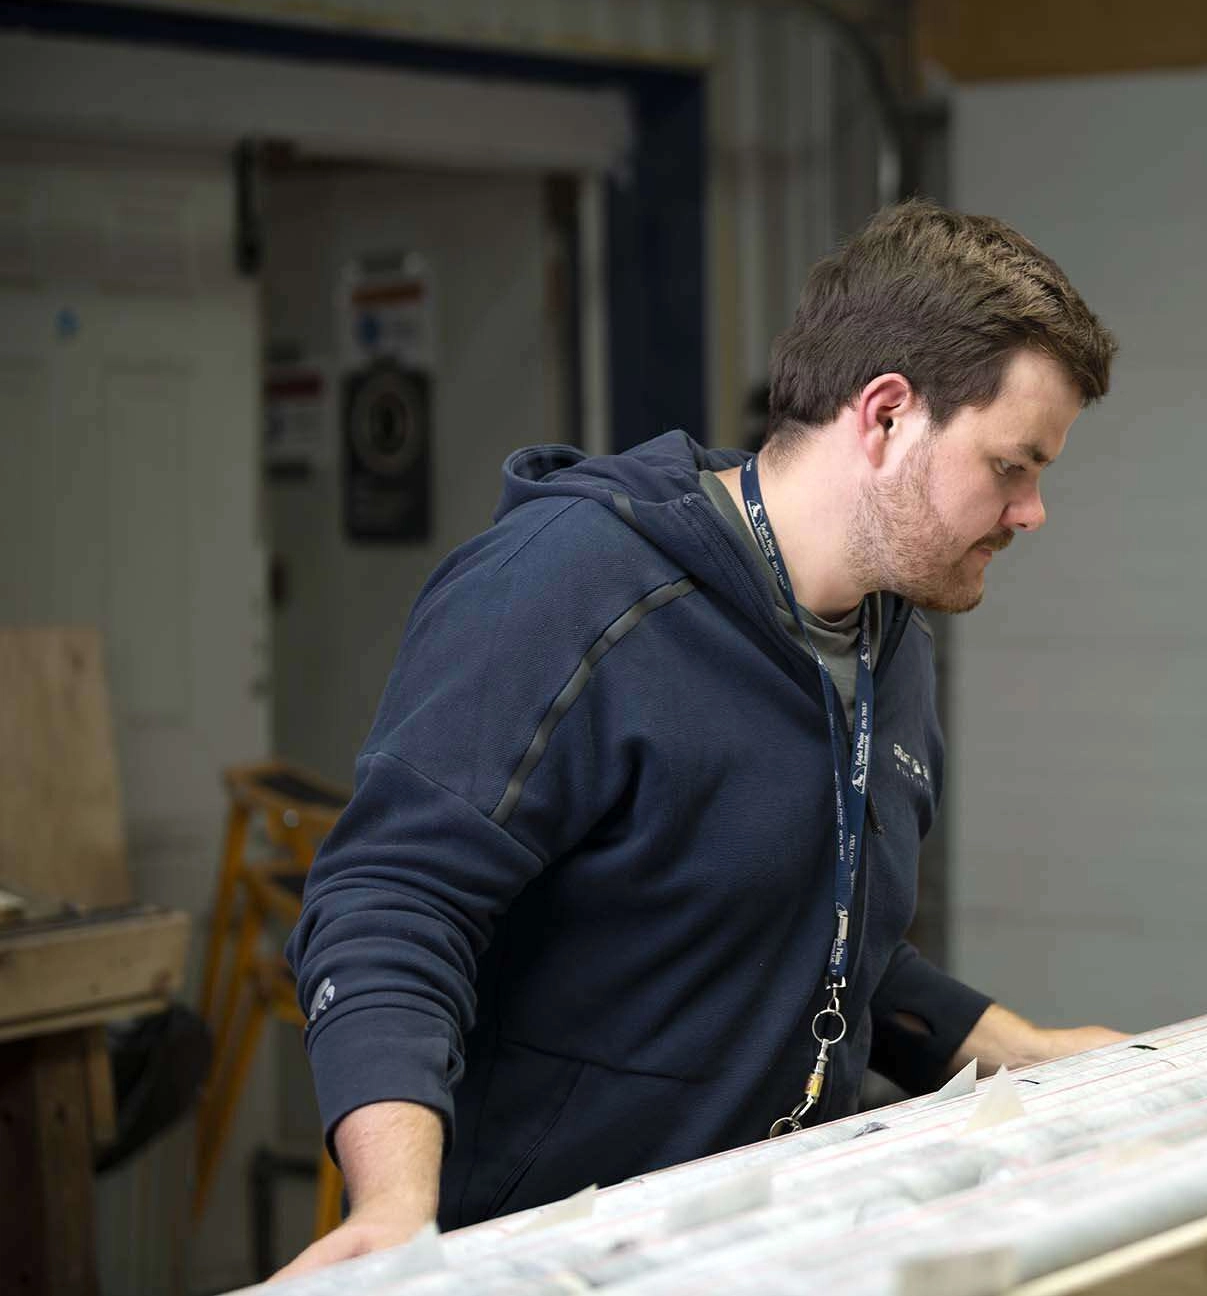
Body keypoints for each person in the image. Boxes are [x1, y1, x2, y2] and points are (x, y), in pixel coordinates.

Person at [278, 200, 1124, 1275]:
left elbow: (797, 930)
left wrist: (1013, 1047)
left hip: (776, 1242)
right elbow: (389, 903)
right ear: (886, 416)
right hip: (552, 1255)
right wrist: (397, 1211)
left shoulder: (890, 630)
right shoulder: (571, 586)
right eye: (1013, 465)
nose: (1031, 511)